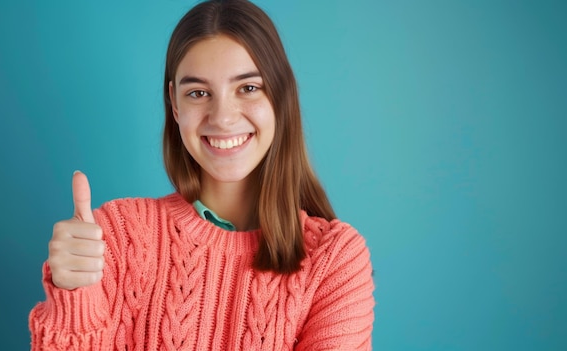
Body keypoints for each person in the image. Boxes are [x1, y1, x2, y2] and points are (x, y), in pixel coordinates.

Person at [29, 0, 375, 349]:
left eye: (248, 88)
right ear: (175, 105)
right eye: (198, 93)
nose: (222, 117)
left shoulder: (334, 260)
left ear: (281, 95)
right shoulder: (115, 240)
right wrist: (73, 299)